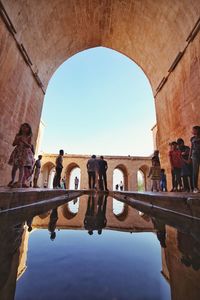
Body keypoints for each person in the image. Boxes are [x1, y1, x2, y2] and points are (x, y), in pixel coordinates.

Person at [8, 123, 34, 188]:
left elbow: (30, 146)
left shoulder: (29, 136)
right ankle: (12, 180)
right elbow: (13, 144)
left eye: (26, 127)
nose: (24, 128)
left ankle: (19, 182)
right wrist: (17, 140)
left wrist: (24, 142)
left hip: (24, 153)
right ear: (21, 128)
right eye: (23, 126)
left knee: (21, 167)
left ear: (28, 129)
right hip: (17, 152)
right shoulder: (18, 135)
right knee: (14, 167)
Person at [190, 126, 200, 193]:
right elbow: (191, 148)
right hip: (195, 156)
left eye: (193, 130)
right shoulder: (192, 138)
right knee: (195, 171)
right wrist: (189, 157)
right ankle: (195, 188)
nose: (192, 131)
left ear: (197, 130)